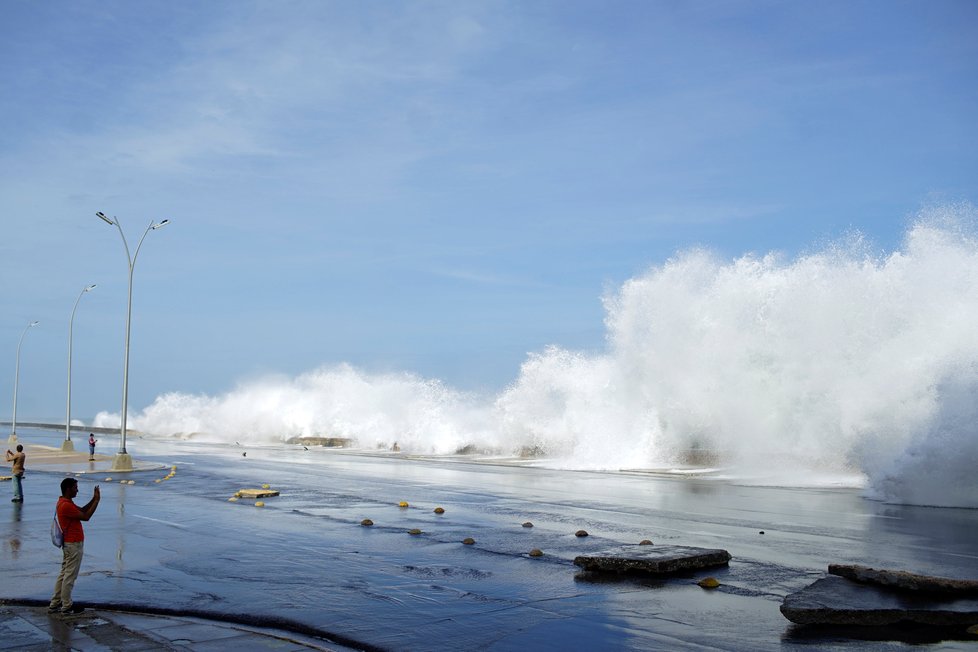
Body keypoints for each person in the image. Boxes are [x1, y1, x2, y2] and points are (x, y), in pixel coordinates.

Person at [49, 478, 100, 615]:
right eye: (75, 487)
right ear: (68, 489)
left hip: (69, 544)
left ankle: (56, 602)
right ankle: (66, 605)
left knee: (64, 574)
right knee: (70, 576)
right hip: (73, 544)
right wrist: (96, 501)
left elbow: (82, 510)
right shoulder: (65, 505)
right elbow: (86, 516)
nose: (77, 490)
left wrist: (93, 499)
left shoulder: (65, 502)